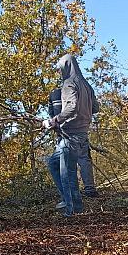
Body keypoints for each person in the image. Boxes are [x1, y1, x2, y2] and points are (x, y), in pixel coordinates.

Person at [43, 54, 99, 216]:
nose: (60, 71)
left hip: (70, 134)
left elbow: (71, 107)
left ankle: (73, 209)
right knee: (55, 164)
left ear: (66, 67)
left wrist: (53, 121)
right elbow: (96, 108)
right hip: (82, 133)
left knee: (67, 173)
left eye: (61, 68)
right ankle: (69, 202)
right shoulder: (87, 85)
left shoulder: (69, 84)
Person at [47, 87, 98, 210]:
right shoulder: (83, 90)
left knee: (65, 167)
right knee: (83, 160)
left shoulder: (54, 94)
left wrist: (54, 124)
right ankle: (89, 190)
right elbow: (95, 109)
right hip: (80, 132)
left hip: (65, 135)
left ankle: (69, 200)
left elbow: (52, 114)